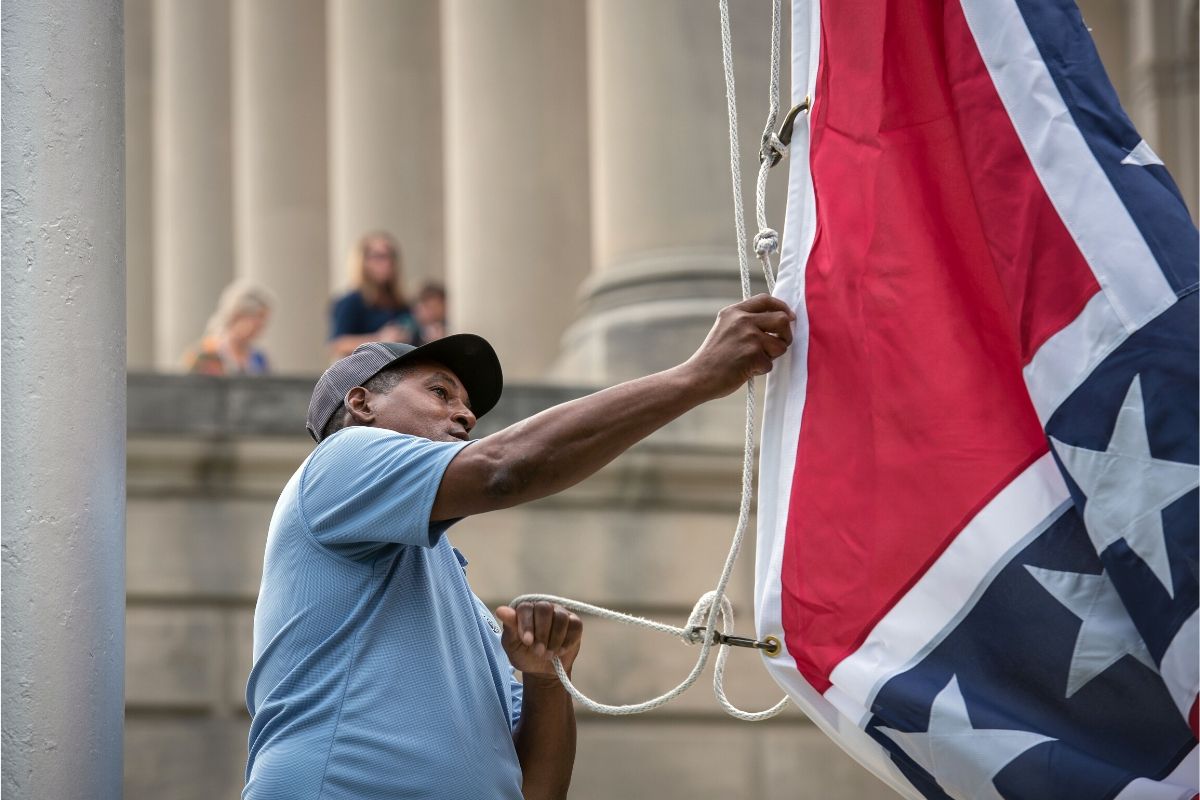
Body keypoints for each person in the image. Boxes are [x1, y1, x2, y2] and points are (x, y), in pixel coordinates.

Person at [243, 293, 795, 799]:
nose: (464, 415)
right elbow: (503, 469)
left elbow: (539, 791)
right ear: (361, 404)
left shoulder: (460, 604)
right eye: (440, 392)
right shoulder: (339, 462)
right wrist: (696, 378)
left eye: (470, 410)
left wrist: (544, 676)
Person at [328, 232, 420, 357]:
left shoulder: (401, 302)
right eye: (379, 256)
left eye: (391, 256)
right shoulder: (352, 301)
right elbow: (338, 344)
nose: (387, 263)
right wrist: (379, 338)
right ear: (363, 261)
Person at [183, 280, 272, 376]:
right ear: (237, 315)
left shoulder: (259, 359)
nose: (261, 326)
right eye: (258, 317)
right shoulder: (205, 354)